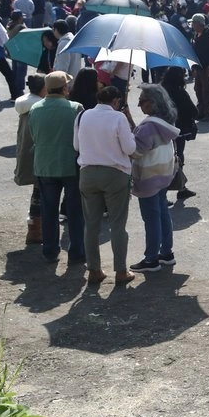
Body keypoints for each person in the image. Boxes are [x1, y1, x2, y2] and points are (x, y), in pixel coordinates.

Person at [74, 85, 139, 286]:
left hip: (87, 173)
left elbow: (76, 146)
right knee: (117, 224)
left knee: (91, 224)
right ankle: (121, 271)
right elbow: (130, 148)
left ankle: (94, 270)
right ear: (116, 101)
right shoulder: (118, 118)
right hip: (115, 173)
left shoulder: (83, 115)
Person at [28, 71, 86, 267]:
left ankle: (50, 249)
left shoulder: (35, 108)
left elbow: (33, 135)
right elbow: (81, 137)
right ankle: (77, 251)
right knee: (75, 210)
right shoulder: (75, 108)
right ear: (63, 88)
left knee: (49, 209)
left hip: (44, 164)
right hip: (70, 163)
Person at [127, 84, 180, 273]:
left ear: (153, 103)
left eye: (142, 101)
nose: (139, 105)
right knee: (162, 213)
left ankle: (151, 258)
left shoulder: (149, 126)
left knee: (151, 218)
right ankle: (166, 252)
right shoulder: (165, 122)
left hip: (148, 176)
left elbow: (135, 151)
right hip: (164, 173)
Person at [14, 74, 47, 243]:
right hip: (40, 156)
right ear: (43, 88)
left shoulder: (25, 106)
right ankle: (37, 231)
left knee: (37, 195)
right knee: (42, 195)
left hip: (28, 154)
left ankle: (33, 230)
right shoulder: (39, 108)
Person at [160, 67, 198, 201]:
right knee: (178, 157)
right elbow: (194, 111)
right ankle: (180, 188)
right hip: (179, 130)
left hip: (161, 129)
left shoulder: (160, 91)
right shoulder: (180, 93)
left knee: (165, 159)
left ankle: (165, 193)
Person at [190, 14, 209, 121]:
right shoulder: (196, 34)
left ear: (199, 23)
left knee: (207, 90)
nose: (192, 25)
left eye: (193, 23)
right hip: (198, 65)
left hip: (206, 66)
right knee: (198, 88)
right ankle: (200, 111)